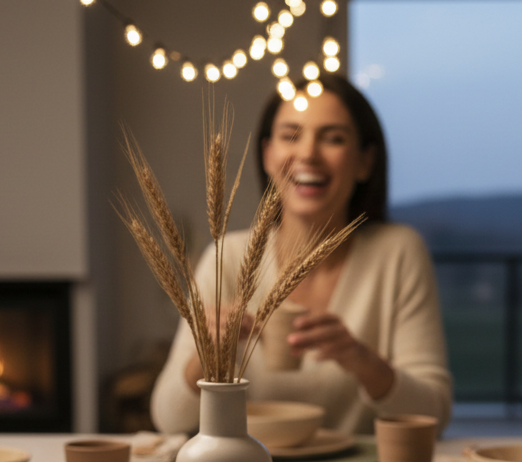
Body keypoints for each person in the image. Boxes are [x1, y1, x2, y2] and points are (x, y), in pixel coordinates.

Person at [150, 75, 452, 437]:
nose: (308, 153)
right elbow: (167, 419)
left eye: (334, 138)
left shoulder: (398, 253)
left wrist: (361, 360)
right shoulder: (225, 258)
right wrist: (207, 356)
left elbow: (435, 416)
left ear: (364, 162)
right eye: (291, 135)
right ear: (267, 154)